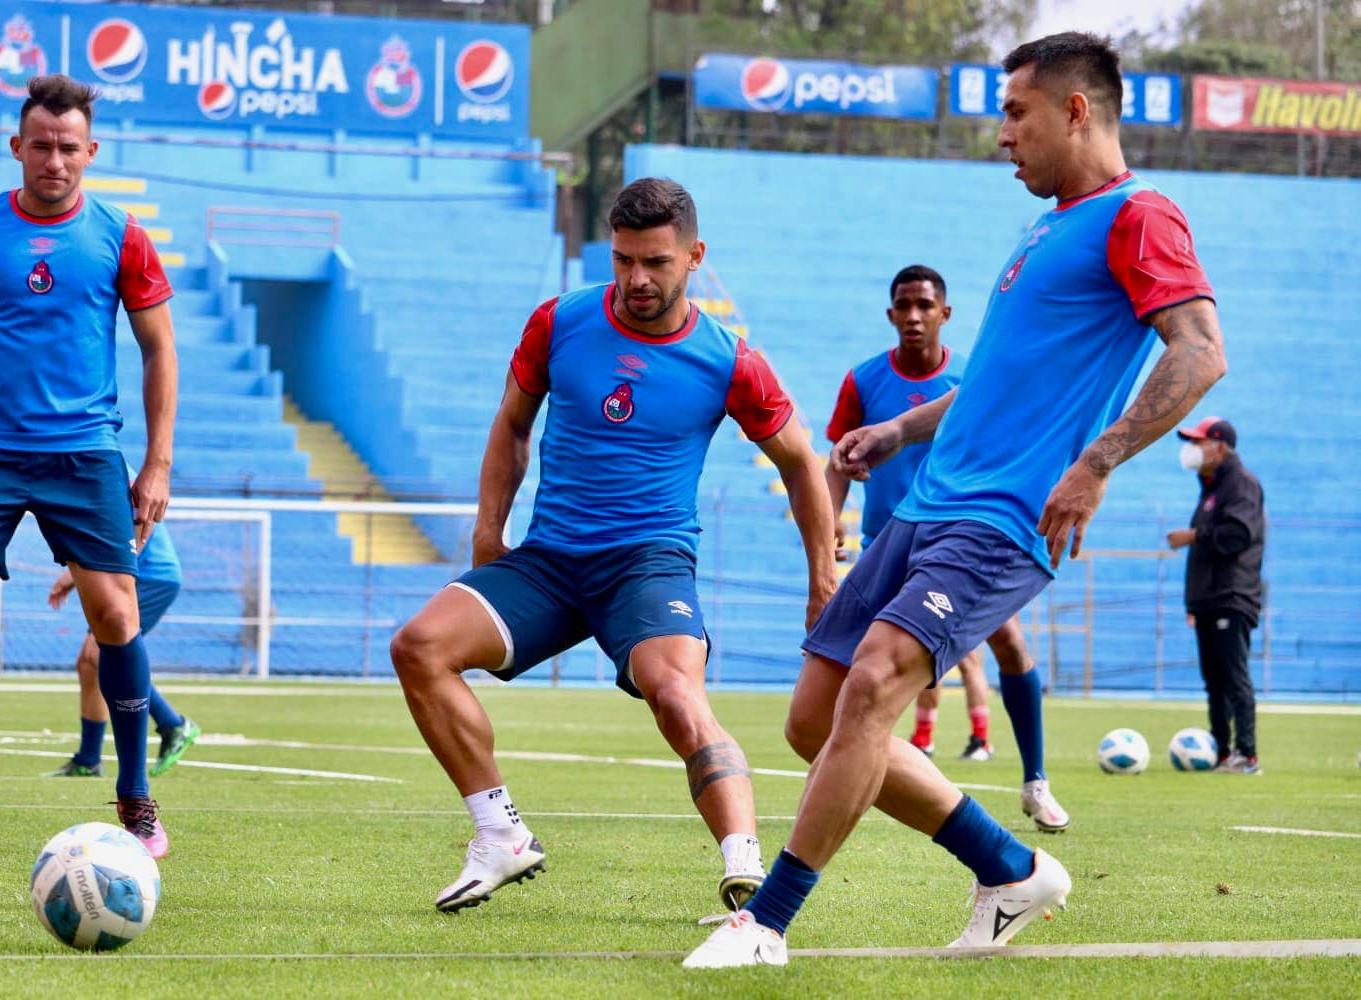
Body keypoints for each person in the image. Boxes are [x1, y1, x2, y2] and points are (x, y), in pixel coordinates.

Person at [687, 32, 1224, 967]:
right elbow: (997, 383)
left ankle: (765, 922)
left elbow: (1199, 351)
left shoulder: (1142, 215)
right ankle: (1010, 870)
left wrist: (1096, 463)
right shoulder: (1046, 227)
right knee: (812, 724)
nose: (1002, 135)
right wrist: (899, 431)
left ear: (1075, 110)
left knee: (875, 685)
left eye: (1015, 113)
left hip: (1001, 520)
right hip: (928, 505)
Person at [390, 178, 836, 914]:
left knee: (676, 696)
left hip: (648, 563)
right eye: (624, 259)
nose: (636, 279)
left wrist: (822, 574)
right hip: (550, 560)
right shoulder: (558, 322)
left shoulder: (729, 360)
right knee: (419, 647)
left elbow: (798, 460)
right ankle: (498, 835)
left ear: (694, 257)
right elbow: (510, 425)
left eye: (656, 262)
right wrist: (486, 533)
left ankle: (746, 871)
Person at [0, 75, 177, 858]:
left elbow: (160, 350)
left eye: (69, 148)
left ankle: (135, 798)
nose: (53, 160)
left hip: (85, 451)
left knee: (117, 618)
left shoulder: (120, 234)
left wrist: (156, 463)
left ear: (90, 152)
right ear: (16, 146)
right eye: (41, 145)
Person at [822, 266, 1069, 831]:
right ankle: (859, 771)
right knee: (858, 667)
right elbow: (837, 457)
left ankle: (1035, 781)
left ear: (944, 313)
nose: (914, 316)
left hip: (961, 538)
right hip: (888, 541)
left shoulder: (969, 377)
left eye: (924, 306)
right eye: (903, 306)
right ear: (891, 314)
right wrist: (829, 523)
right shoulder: (862, 380)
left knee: (1008, 641)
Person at [46, 512, 200, 779]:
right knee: (88, 662)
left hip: (150, 574)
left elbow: (134, 526)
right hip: (125, 572)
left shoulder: (110, 470)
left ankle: (173, 724)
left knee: (101, 653)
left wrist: (73, 577)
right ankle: (89, 760)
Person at [1167, 416, 1264, 774]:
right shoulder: (1210, 488)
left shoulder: (1241, 484)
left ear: (1220, 446)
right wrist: (1194, 602)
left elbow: (1238, 535)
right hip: (1209, 599)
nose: (1192, 449)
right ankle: (1220, 750)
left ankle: (1247, 754)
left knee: (1233, 675)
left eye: (1199, 441)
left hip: (1233, 596)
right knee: (1214, 680)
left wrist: (1194, 536)